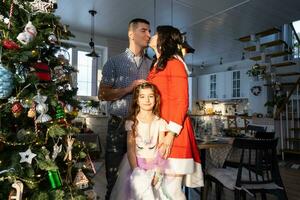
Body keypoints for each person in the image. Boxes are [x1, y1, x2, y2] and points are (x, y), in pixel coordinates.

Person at [147, 25, 204, 199]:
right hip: (158, 131)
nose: (152, 35)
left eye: (156, 33)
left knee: (171, 190)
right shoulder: (157, 64)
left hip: (173, 133)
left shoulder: (175, 63)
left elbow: (181, 102)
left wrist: (170, 134)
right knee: (158, 188)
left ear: (163, 39)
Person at [98, 18, 152, 200]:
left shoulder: (151, 65)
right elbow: (103, 94)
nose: (148, 35)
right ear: (131, 34)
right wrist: (129, 88)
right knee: (113, 178)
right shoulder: (114, 62)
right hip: (118, 125)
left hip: (143, 129)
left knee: (140, 178)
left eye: (149, 31)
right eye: (144, 30)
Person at [110, 82, 169, 200]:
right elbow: (131, 150)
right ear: (137, 99)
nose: (147, 100)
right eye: (142, 96)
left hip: (154, 168)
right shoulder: (132, 122)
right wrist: (136, 172)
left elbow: (161, 148)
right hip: (134, 166)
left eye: (150, 96)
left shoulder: (160, 122)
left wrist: (158, 170)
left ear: (156, 98)